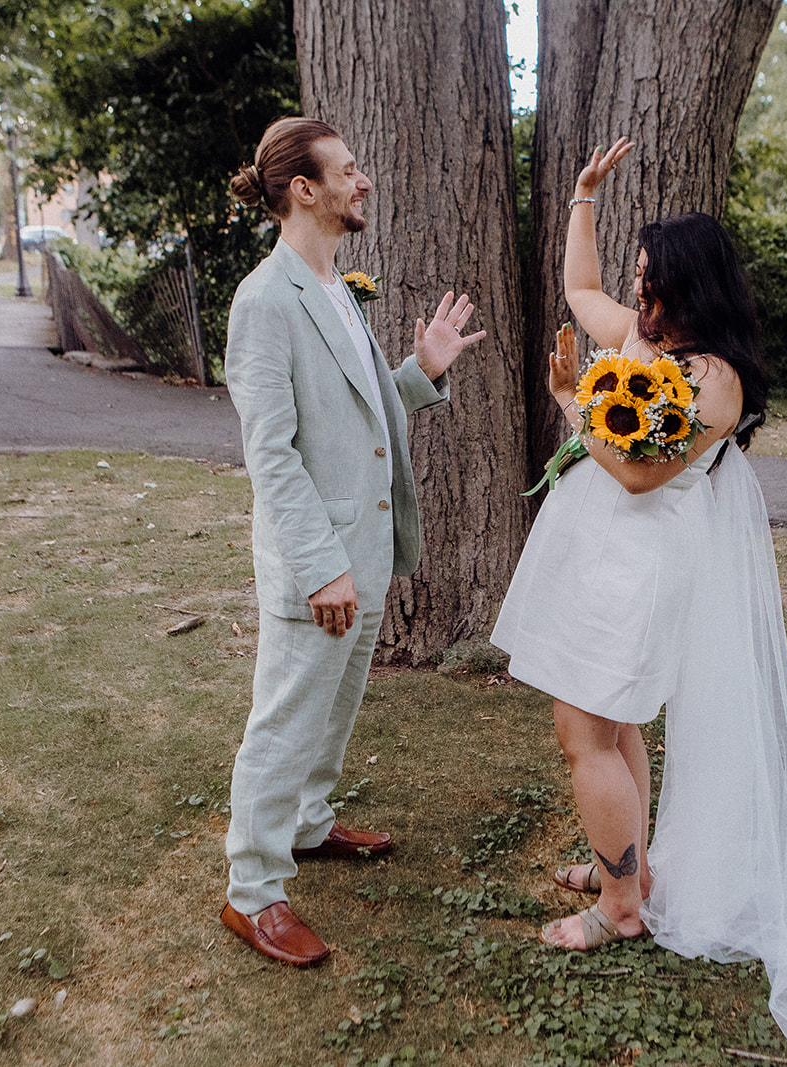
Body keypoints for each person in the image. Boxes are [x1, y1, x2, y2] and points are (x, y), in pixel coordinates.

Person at [491, 139, 787, 1066]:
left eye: (650, 274)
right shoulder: (644, 341)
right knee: (613, 720)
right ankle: (627, 865)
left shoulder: (713, 378)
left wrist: (575, 403)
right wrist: (583, 198)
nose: (637, 287)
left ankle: (620, 905)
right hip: (598, 556)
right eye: (637, 272)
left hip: (639, 564)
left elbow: (639, 475)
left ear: (690, 282)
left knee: (585, 731)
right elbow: (580, 289)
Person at [220, 117, 486, 967]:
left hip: (366, 552)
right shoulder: (265, 302)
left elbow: (358, 418)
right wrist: (320, 566)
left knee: (334, 709)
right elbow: (271, 453)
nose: (362, 180)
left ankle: (307, 823)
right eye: (347, 170)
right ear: (305, 190)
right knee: (284, 722)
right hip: (322, 565)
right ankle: (252, 891)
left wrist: (421, 371)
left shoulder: (333, 285)